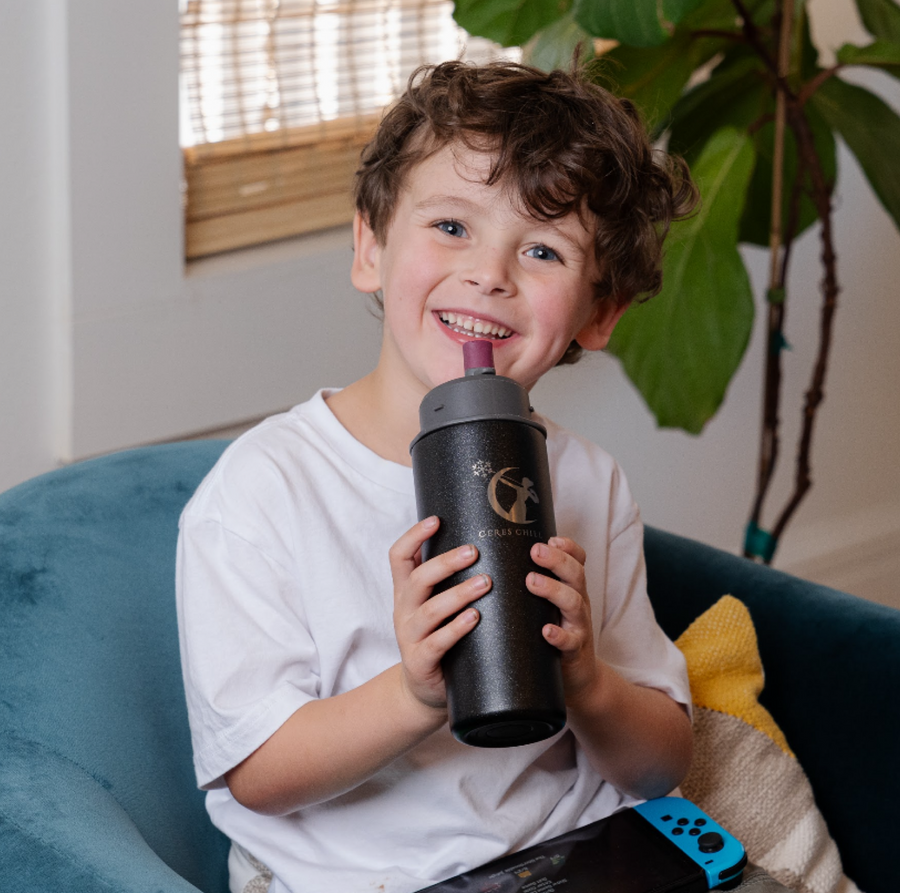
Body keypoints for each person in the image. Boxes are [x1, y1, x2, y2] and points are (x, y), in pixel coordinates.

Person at [176, 60, 757, 893]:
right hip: (364, 879)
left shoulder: (587, 481)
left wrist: (586, 676)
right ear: (371, 247)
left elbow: (658, 765)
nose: (491, 273)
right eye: (452, 226)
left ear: (598, 314)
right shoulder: (262, 492)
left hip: (569, 856)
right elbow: (258, 776)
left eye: (543, 248)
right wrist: (417, 691)